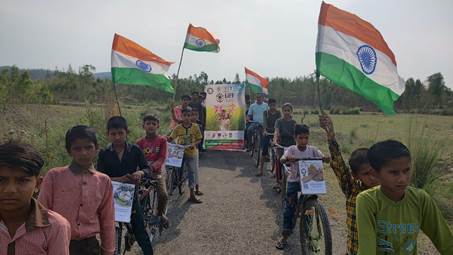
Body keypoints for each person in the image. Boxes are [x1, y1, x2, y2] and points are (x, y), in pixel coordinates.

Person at [356, 140, 453, 255]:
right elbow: (366, 248)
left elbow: (445, 241)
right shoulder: (367, 201)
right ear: (375, 173)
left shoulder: (421, 199)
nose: (403, 179)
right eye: (394, 172)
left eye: (406, 170)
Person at [38, 125, 115, 255]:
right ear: (69, 151)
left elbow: (107, 219)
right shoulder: (54, 176)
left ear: (96, 148)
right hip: (57, 244)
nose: (83, 153)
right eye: (77, 148)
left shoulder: (104, 181)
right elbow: (41, 213)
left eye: (88, 147)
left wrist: (108, 250)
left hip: (89, 247)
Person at [319, 114, 378, 255]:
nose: (373, 177)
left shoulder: (387, 192)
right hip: (353, 250)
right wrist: (330, 135)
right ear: (355, 175)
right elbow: (339, 163)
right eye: (366, 174)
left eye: (375, 171)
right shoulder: (352, 189)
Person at [0, 142, 71, 255]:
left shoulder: (55, 226)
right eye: (1, 180)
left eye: (22, 180)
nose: (10, 190)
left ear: (38, 184)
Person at [96, 116, 154, 255]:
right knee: (106, 234)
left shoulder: (135, 150)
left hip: (130, 196)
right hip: (109, 197)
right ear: (108, 134)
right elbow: (98, 178)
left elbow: (148, 169)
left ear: (127, 132)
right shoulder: (104, 154)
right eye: (113, 134)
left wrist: (140, 172)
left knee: (140, 231)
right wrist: (118, 179)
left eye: (120, 133)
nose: (117, 137)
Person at [276, 124, 326, 250]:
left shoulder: (313, 150)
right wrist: (288, 158)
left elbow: (322, 156)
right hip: (294, 181)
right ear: (295, 137)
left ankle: (309, 237)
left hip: (310, 183)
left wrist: (326, 158)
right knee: (289, 209)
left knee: (310, 210)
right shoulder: (292, 149)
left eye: (306, 138)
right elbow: (282, 159)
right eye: (300, 138)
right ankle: (284, 236)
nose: (303, 141)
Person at [136, 114, 169, 226]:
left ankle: (159, 214)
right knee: (135, 194)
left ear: (158, 126)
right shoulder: (139, 143)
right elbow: (136, 159)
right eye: (148, 123)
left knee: (163, 194)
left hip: (157, 171)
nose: (151, 126)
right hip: (143, 172)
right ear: (143, 126)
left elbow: (162, 158)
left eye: (154, 124)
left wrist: (152, 167)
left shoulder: (162, 141)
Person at [169, 107, 203, 203]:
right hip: (179, 153)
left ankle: (192, 194)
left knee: (191, 172)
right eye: (185, 115)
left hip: (191, 152)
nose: (187, 117)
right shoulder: (178, 127)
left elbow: (199, 139)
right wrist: (166, 140)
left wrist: (194, 144)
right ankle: (174, 185)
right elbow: (171, 138)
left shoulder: (195, 127)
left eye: (189, 115)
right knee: (175, 169)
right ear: (181, 116)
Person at [272, 103, 297, 191]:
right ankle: (278, 182)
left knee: (293, 162)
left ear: (291, 112)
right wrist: (275, 141)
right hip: (281, 144)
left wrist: (297, 144)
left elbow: (296, 135)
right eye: (285, 110)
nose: (286, 112)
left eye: (288, 110)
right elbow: (276, 132)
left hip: (291, 145)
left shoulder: (294, 123)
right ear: (282, 111)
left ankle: (294, 180)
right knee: (279, 161)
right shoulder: (279, 121)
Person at [257, 98, 281, 177]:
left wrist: (277, 132)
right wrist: (264, 130)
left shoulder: (278, 113)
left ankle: (275, 171)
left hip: (275, 133)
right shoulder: (266, 113)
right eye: (271, 105)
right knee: (263, 151)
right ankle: (261, 170)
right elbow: (264, 123)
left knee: (276, 152)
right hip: (267, 132)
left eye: (274, 105)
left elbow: (279, 123)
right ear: (268, 105)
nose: (273, 107)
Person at [190, 108, 204, 195]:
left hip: (193, 150)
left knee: (195, 169)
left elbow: (200, 138)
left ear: (198, 116)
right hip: (182, 149)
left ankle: (197, 188)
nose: (193, 117)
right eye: (191, 115)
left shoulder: (199, 126)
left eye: (195, 115)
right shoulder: (181, 125)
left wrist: (194, 144)